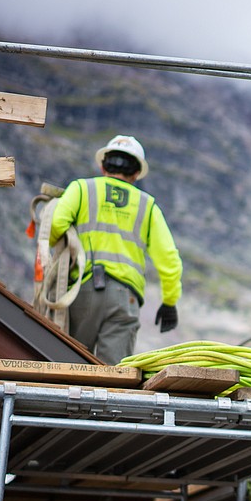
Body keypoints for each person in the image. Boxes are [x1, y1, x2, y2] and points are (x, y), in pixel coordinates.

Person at [50, 134, 182, 365]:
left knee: (71, 366)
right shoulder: (148, 206)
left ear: (103, 165)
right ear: (136, 173)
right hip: (125, 298)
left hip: (83, 290)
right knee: (115, 377)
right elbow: (169, 260)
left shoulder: (81, 189)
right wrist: (169, 301)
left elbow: (57, 224)